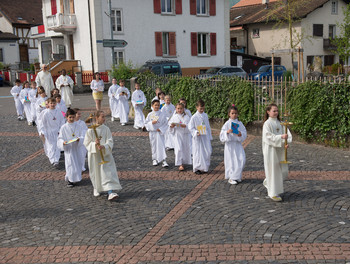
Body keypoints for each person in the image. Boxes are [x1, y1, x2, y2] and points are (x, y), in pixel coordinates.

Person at [83, 110, 122, 201]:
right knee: (96, 172)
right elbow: (86, 143)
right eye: (102, 117)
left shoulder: (106, 129)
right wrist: (94, 144)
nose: (104, 119)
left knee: (108, 172)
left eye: (104, 117)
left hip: (105, 154)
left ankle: (110, 192)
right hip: (95, 156)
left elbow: (110, 141)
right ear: (96, 118)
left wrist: (104, 146)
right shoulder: (90, 130)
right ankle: (97, 187)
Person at [262, 103, 292, 202]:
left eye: (277, 111)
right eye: (274, 111)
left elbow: (288, 135)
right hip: (270, 150)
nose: (276, 112)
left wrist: (285, 143)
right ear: (268, 112)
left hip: (280, 150)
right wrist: (281, 137)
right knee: (273, 171)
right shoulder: (267, 124)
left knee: (283, 171)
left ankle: (268, 182)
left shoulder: (281, 123)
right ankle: (273, 193)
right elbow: (268, 137)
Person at [219, 104, 247, 185]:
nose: (234, 115)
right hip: (230, 145)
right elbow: (222, 134)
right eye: (232, 113)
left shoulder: (240, 123)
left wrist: (240, 134)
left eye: (235, 113)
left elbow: (244, 132)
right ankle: (232, 177)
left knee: (241, 159)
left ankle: (237, 176)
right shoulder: (227, 123)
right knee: (231, 161)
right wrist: (227, 132)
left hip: (237, 145)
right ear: (229, 114)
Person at [57, 109, 85, 187]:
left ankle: (77, 178)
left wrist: (80, 139)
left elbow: (82, 135)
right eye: (70, 117)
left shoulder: (78, 126)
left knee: (78, 163)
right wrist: (63, 142)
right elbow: (60, 138)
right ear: (66, 117)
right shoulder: (64, 127)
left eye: (73, 117)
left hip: (76, 147)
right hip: (69, 149)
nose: (72, 119)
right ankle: (70, 180)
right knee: (70, 164)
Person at [188, 99, 212, 174]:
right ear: (197, 107)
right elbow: (190, 127)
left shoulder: (205, 115)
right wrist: (195, 132)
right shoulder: (194, 117)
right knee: (198, 152)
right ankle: (197, 168)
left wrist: (209, 135)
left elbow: (207, 126)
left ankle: (204, 167)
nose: (202, 110)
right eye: (200, 108)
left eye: (203, 108)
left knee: (206, 151)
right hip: (198, 138)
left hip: (205, 137)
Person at [41, 97, 65, 166]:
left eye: (54, 103)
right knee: (51, 146)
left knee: (57, 146)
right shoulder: (45, 113)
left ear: (56, 104)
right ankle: (52, 159)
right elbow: (42, 123)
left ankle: (56, 160)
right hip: (49, 131)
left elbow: (62, 121)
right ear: (48, 104)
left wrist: (61, 130)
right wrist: (43, 131)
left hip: (57, 131)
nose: (52, 104)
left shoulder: (59, 112)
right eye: (51, 103)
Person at [145, 99, 169, 167]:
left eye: (158, 105)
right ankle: (155, 159)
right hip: (153, 133)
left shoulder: (162, 114)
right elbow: (146, 123)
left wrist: (161, 129)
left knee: (161, 145)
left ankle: (163, 160)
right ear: (152, 106)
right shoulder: (150, 114)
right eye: (155, 105)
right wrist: (151, 123)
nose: (157, 106)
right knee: (154, 145)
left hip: (160, 133)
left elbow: (166, 124)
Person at [169, 103, 192, 171]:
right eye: (178, 108)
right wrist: (171, 126)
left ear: (183, 109)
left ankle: (184, 162)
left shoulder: (187, 117)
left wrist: (186, 126)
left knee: (185, 149)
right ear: (176, 109)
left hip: (185, 135)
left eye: (181, 108)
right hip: (177, 135)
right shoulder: (174, 117)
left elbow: (190, 126)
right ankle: (180, 163)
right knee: (178, 149)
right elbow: (170, 125)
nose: (179, 110)